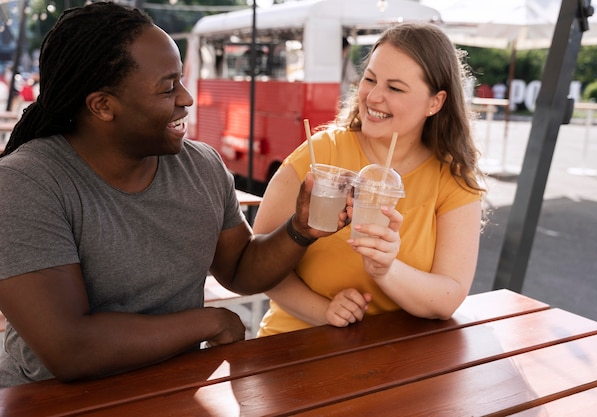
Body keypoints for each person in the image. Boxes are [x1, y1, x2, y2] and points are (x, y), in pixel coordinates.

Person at [0, 2, 345, 387]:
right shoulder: (26, 183)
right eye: (168, 87)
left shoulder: (201, 166)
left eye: (181, 80)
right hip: (50, 401)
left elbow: (239, 269)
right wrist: (209, 321)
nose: (187, 98)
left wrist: (300, 228)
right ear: (102, 106)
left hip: (175, 390)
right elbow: (70, 348)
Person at [253, 23, 485, 337]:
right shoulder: (321, 152)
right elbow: (258, 263)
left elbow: (448, 297)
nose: (373, 97)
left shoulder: (452, 177)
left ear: (436, 102)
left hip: (396, 357)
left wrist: (387, 270)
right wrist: (323, 311)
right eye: (370, 79)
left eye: (396, 88)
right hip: (294, 345)